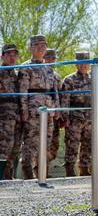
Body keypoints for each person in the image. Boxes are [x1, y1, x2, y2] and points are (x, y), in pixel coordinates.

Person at [18, 35, 59, 179]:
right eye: (37, 45)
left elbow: (54, 91)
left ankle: (42, 173)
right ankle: (28, 173)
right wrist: (24, 111)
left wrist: (56, 109)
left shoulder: (49, 68)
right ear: (30, 48)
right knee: (30, 142)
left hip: (48, 110)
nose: (40, 48)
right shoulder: (26, 67)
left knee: (46, 141)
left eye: (43, 46)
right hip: (33, 111)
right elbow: (22, 91)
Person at [60, 52, 92, 176]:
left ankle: (84, 169)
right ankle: (69, 170)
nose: (84, 66)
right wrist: (65, 117)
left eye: (86, 63)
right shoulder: (69, 80)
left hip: (89, 116)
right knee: (72, 144)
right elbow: (65, 100)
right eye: (81, 63)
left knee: (88, 144)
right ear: (76, 64)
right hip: (75, 117)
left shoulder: (93, 79)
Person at [0, 44, 21, 179]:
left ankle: (8, 174)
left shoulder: (16, 74)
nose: (12, 58)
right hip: (3, 114)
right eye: (9, 55)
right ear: (2, 56)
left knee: (15, 145)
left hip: (15, 114)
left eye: (14, 55)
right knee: (3, 145)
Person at [44, 48, 64, 165]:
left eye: (53, 58)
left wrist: (60, 112)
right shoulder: (40, 72)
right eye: (49, 58)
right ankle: (39, 170)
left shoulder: (57, 76)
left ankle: (44, 168)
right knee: (43, 142)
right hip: (45, 112)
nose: (51, 60)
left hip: (56, 114)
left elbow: (59, 95)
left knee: (54, 144)